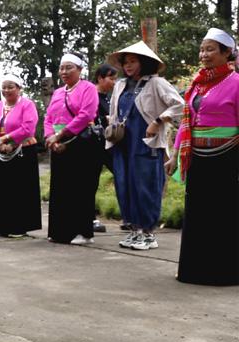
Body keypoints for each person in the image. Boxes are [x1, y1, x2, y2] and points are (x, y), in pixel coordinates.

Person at [170, 28, 239, 286]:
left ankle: (224, 272)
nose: (204, 54)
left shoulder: (236, 83)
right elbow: (188, 123)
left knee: (223, 214)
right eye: (202, 49)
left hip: (227, 157)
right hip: (198, 157)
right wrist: (175, 154)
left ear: (226, 53)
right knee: (197, 214)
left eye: (210, 49)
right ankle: (194, 269)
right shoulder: (197, 85)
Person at [107, 41, 183, 250]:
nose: (128, 66)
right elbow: (115, 112)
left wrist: (158, 121)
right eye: (125, 62)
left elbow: (179, 105)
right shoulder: (120, 85)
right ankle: (134, 230)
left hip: (145, 142)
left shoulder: (156, 83)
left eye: (133, 61)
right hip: (122, 142)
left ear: (144, 62)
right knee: (124, 185)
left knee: (146, 186)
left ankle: (148, 233)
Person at [43, 53, 101, 246]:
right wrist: (51, 138)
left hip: (80, 143)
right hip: (59, 146)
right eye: (62, 68)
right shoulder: (58, 92)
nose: (64, 72)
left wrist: (61, 135)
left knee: (81, 188)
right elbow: (49, 118)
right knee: (61, 188)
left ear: (80, 70)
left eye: (69, 67)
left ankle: (83, 232)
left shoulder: (88, 88)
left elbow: (86, 114)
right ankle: (60, 231)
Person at [0, 74, 42, 238]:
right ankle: (3, 226)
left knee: (20, 190)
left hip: (23, 150)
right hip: (2, 150)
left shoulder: (27, 104)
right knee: (4, 190)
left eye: (11, 86)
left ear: (19, 88)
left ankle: (19, 227)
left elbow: (28, 128)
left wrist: (7, 140)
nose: (6, 90)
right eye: (4, 87)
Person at [93, 64, 119, 233]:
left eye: (115, 79)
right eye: (111, 78)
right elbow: (89, 118)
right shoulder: (92, 96)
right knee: (91, 181)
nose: (114, 82)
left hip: (109, 144)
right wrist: (105, 119)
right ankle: (90, 218)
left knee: (121, 175)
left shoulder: (109, 98)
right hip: (93, 145)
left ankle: (129, 215)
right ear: (100, 78)